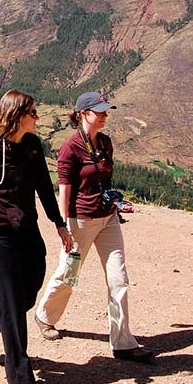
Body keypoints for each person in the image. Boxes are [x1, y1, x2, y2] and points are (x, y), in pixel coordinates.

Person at [0, 90, 71, 384]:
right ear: (16, 115)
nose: (37, 117)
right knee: (10, 299)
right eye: (32, 113)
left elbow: (45, 190)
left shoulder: (33, 146)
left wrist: (59, 224)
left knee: (29, 289)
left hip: (27, 227)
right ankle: (20, 374)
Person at [35, 91, 155, 364]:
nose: (104, 115)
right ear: (83, 114)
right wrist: (64, 226)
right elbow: (64, 190)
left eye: (105, 111)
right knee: (69, 273)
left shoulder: (105, 143)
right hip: (81, 221)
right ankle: (44, 316)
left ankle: (123, 343)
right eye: (99, 111)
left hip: (108, 219)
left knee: (118, 279)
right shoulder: (70, 148)